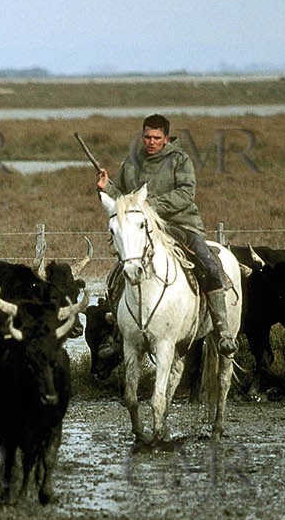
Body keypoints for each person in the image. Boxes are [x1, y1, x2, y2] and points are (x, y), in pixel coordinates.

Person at [96, 114, 237, 355]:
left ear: (166, 138)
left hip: (182, 224)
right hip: (144, 228)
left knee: (209, 264)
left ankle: (223, 329)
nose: (151, 141)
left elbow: (185, 194)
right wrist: (106, 187)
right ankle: (119, 334)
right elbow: (123, 199)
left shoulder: (180, 160)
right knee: (119, 273)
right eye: (147, 137)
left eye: (156, 137)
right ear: (142, 137)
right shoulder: (130, 163)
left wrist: (151, 205)